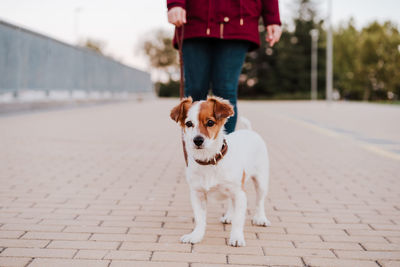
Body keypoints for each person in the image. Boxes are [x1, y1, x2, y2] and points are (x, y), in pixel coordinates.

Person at [167, 0, 282, 133]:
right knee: (195, 90)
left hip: (238, 19)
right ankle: (194, 151)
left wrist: (272, 17)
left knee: (226, 91)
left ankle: (226, 151)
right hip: (195, 18)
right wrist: (175, 3)